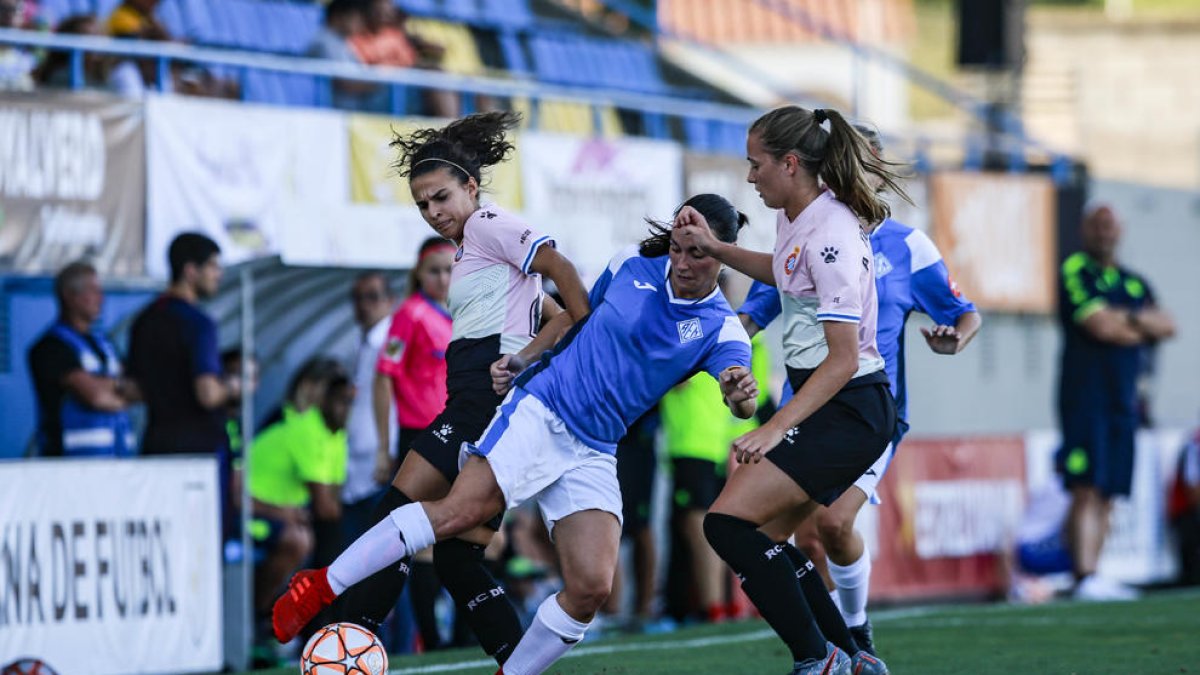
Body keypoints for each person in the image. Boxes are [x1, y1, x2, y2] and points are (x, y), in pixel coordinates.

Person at [271, 194, 760, 675]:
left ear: (723, 255)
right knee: (461, 515)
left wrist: (740, 391)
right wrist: (526, 358)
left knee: (591, 587)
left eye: (697, 251)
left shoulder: (721, 329)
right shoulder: (630, 263)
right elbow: (572, 317)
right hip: (541, 409)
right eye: (677, 247)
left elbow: (742, 399)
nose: (681, 261)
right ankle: (320, 585)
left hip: (594, 448)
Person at [305, 111, 591, 667]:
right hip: (484, 403)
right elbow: (550, 317)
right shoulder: (471, 249)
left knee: (395, 514)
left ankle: (354, 635)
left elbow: (559, 267)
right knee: (459, 561)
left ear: (471, 187)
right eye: (422, 205)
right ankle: (516, 661)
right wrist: (529, 355)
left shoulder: (486, 225)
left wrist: (587, 325)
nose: (434, 213)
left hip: (477, 407)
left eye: (441, 198)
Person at [672, 106, 907, 675]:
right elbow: (784, 271)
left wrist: (774, 427)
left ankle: (818, 660)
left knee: (726, 525)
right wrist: (718, 248)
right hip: (834, 404)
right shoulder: (800, 215)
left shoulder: (829, 234)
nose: (750, 176)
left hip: (850, 405)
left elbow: (845, 358)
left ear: (791, 163)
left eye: (756, 165)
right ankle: (852, 660)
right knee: (770, 535)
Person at [737, 125, 981, 652]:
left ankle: (854, 635)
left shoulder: (908, 245)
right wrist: (727, 357)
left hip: (865, 411)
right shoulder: (798, 225)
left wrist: (954, 339)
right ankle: (833, 652)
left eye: (866, 162)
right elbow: (758, 309)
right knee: (785, 536)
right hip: (805, 407)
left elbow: (964, 314)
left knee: (832, 521)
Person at [1057, 203, 1175, 601]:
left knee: (1108, 489)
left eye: (1110, 226)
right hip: (1084, 399)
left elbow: (1168, 324)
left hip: (1124, 402)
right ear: (1086, 230)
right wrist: (1139, 324)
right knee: (1085, 487)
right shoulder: (1075, 270)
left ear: (1120, 231)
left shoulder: (1133, 282)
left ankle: (1096, 572)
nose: (1105, 233)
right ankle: (1083, 574)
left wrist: (1130, 323)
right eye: (1097, 226)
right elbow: (1102, 327)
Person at [371, 237, 456, 652]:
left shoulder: (455, 314)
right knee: (423, 538)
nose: (443, 278)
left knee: (469, 533)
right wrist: (385, 446)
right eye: (434, 270)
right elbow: (384, 375)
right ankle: (435, 640)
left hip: (456, 434)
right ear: (418, 275)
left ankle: (456, 637)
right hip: (421, 437)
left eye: (449, 269)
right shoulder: (410, 314)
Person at [249, 364, 352, 625]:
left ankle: (323, 619)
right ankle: (261, 617)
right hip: (251, 511)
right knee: (307, 539)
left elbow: (332, 494)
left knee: (331, 537)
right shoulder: (299, 425)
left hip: (283, 511)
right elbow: (324, 504)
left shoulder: (333, 432)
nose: (347, 409)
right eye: (340, 400)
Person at [128, 232, 239, 456]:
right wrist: (234, 386)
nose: (219, 274)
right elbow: (207, 394)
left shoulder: (143, 320)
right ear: (190, 271)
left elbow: (133, 389)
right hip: (198, 452)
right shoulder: (198, 323)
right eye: (213, 267)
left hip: (156, 444)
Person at [27, 261, 138, 457]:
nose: (101, 299)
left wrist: (115, 388)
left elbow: (139, 389)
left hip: (118, 462)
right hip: (69, 466)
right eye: (92, 291)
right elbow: (96, 396)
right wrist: (122, 389)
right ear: (69, 296)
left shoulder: (105, 345)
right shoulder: (50, 347)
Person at [342, 271, 399, 545]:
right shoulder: (361, 344)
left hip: (380, 462)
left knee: (380, 555)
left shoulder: (393, 342)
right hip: (356, 464)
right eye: (357, 298)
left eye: (372, 297)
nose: (364, 305)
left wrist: (385, 451)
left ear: (390, 301)